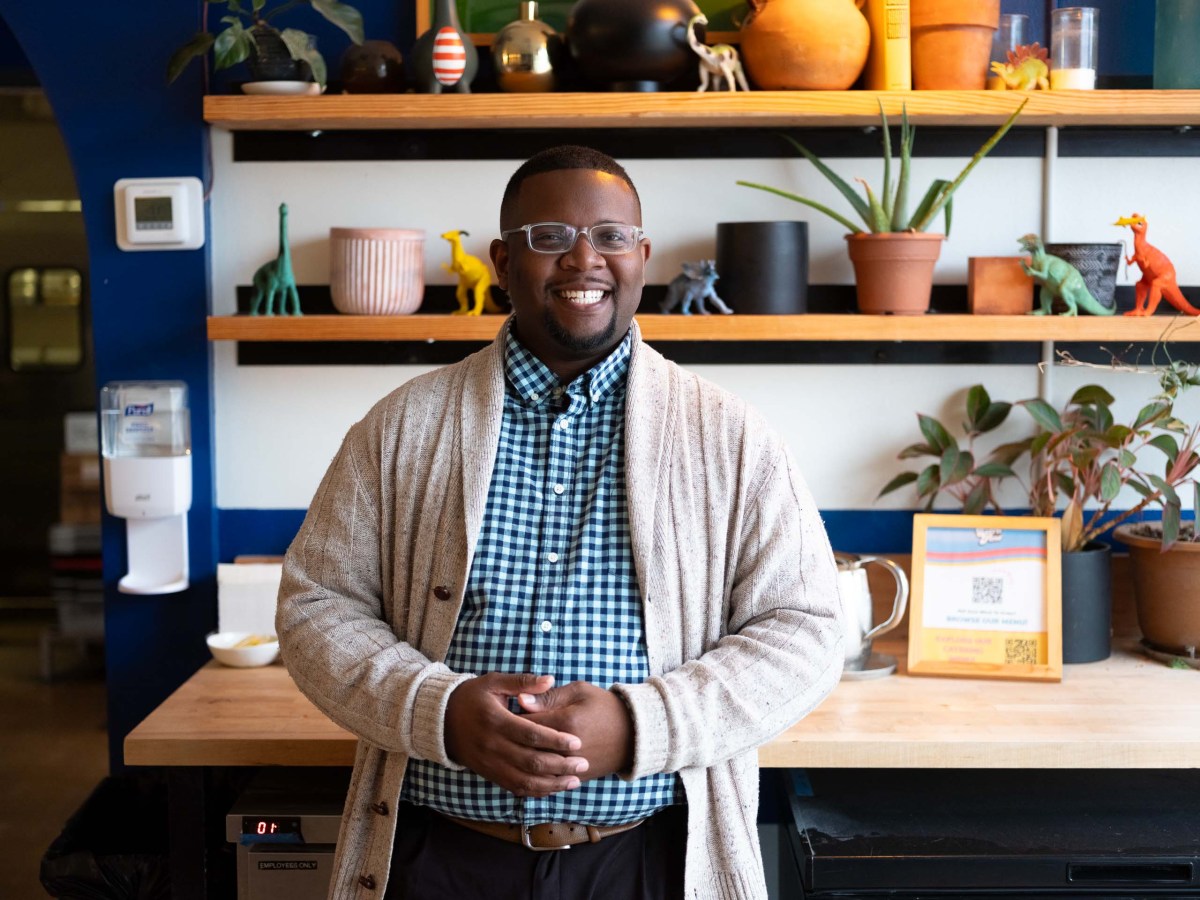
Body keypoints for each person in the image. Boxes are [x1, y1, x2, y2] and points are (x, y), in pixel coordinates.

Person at [276, 144, 843, 900]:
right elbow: (316, 605)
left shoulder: (730, 436)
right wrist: (436, 711)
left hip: (649, 863)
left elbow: (804, 628)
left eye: (611, 238)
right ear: (504, 262)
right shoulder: (402, 427)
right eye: (551, 238)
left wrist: (644, 724)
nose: (585, 260)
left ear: (642, 256)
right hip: (438, 860)